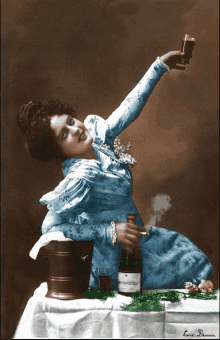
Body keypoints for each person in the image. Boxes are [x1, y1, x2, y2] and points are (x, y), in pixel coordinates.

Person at [17, 51, 213, 290]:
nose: (75, 129)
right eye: (64, 135)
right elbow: (50, 227)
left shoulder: (99, 141)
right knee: (170, 274)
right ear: (58, 150)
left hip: (139, 241)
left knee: (187, 255)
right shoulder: (80, 177)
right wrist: (109, 231)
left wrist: (159, 66)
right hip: (114, 263)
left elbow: (127, 109)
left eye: (70, 121)